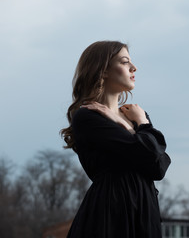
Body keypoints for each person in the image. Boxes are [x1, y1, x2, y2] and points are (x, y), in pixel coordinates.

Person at [60, 41, 171, 238]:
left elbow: (159, 167)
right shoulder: (88, 117)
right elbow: (147, 153)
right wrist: (139, 128)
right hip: (111, 213)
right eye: (125, 61)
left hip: (145, 213)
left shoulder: (135, 116)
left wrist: (132, 125)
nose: (134, 67)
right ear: (102, 70)